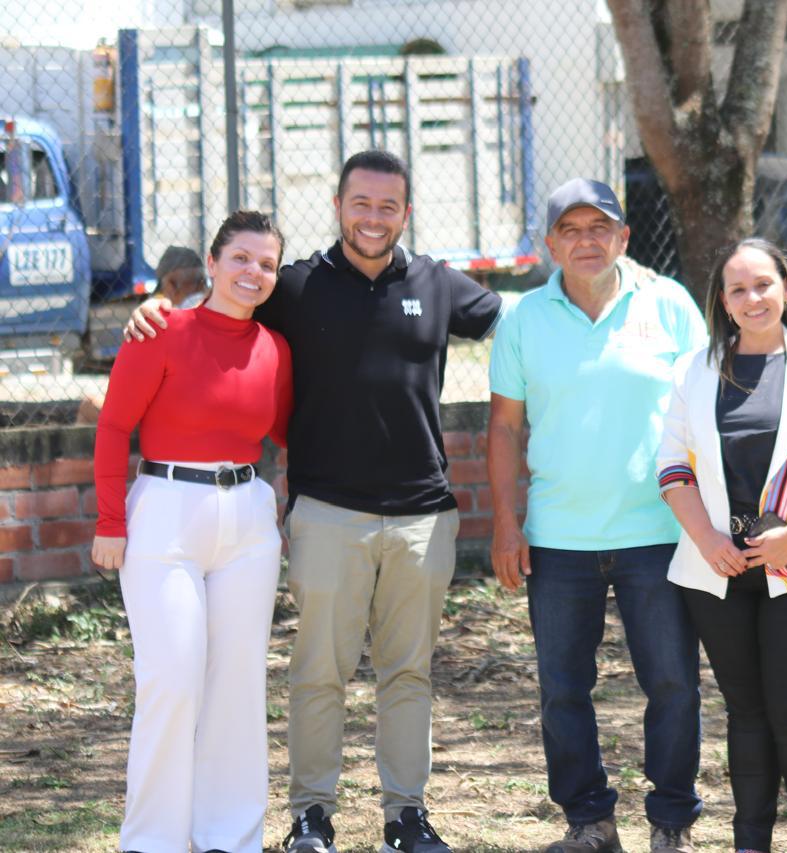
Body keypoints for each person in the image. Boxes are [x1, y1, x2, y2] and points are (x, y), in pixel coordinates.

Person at [124, 150, 503, 853]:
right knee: (318, 672)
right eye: (361, 203)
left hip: (424, 512)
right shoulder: (295, 287)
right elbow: (225, 300)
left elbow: (521, 320)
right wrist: (159, 308)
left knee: (408, 671)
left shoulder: (439, 283)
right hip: (328, 511)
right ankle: (311, 815)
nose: (373, 217)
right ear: (338, 206)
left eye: (388, 206)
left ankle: (407, 815)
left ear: (406, 213)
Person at [487, 178, 705, 853]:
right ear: (549, 242)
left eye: (600, 228)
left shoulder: (668, 305)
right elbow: (502, 428)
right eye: (571, 230)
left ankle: (671, 821)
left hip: (659, 534)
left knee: (672, 683)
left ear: (624, 238)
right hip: (559, 538)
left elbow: (705, 412)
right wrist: (504, 521)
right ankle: (589, 821)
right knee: (562, 689)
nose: (587, 241)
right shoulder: (523, 318)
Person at [93, 210, 293, 853]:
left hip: (247, 518)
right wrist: (110, 521)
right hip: (166, 513)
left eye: (266, 264)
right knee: (173, 681)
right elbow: (112, 428)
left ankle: (229, 838)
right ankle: (153, 841)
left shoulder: (276, 349)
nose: (252, 272)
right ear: (210, 264)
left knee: (238, 685)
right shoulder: (160, 331)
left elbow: (291, 436)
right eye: (239, 258)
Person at [656, 238, 787, 853]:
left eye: (764, 284)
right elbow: (672, 466)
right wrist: (707, 538)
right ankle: (750, 843)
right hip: (717, 566)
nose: (753, 298)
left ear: (785, 289)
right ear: (722, 299)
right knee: (745, 714)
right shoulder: (695, 369)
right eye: (738, 288)